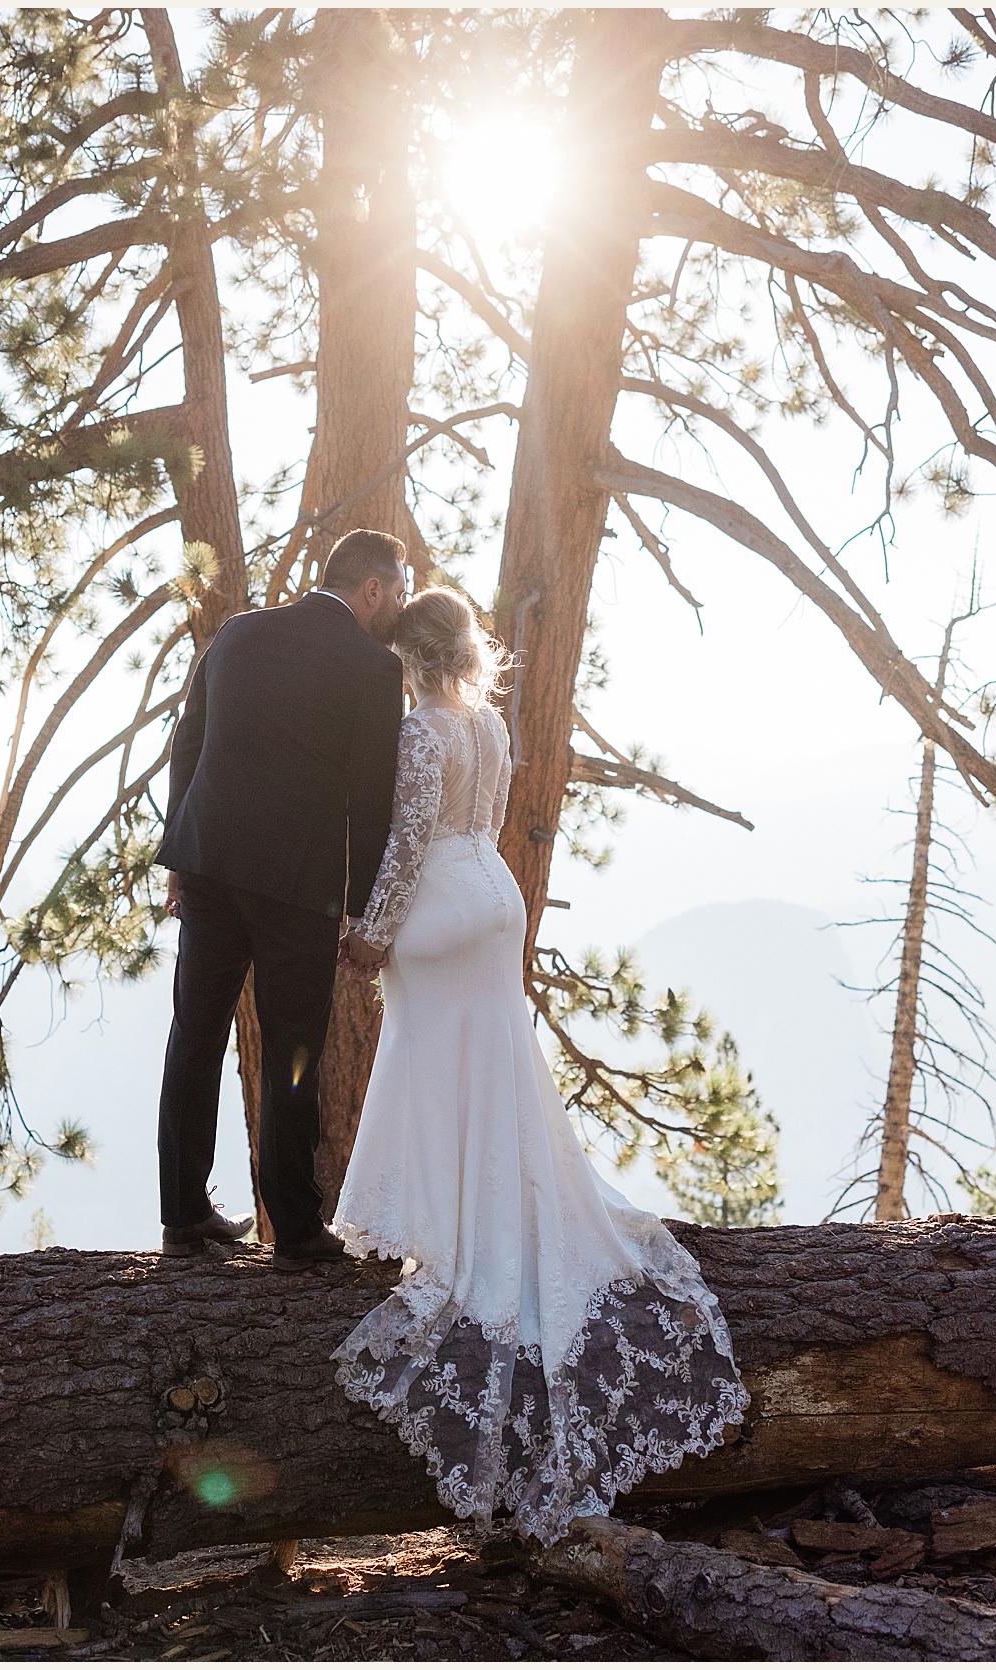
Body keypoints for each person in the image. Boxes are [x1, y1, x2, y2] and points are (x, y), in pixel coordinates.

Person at [329, 586, 750, 1545]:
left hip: (438, 904)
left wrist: (369, 934)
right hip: (497, 901)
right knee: (492, 1067)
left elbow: (404, 846)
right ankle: (481, 1207)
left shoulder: (420, 734)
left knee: (431, 1061)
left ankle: (445, 1224)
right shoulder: (487, 725)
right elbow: (484, 822)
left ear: (412, 657)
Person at [153, 529, 410, 1270]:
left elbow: (187, 744)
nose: (398, 602)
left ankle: (181, 1216)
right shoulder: (373, 667)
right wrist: (365, 911)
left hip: (208, 865)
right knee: (293, 1045)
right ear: (370, 590)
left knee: (194, 1034)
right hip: (295, 886)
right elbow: (373, 800)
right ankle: (296, 1231)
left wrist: (179, 854)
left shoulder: (237, 635)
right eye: (396, 590)